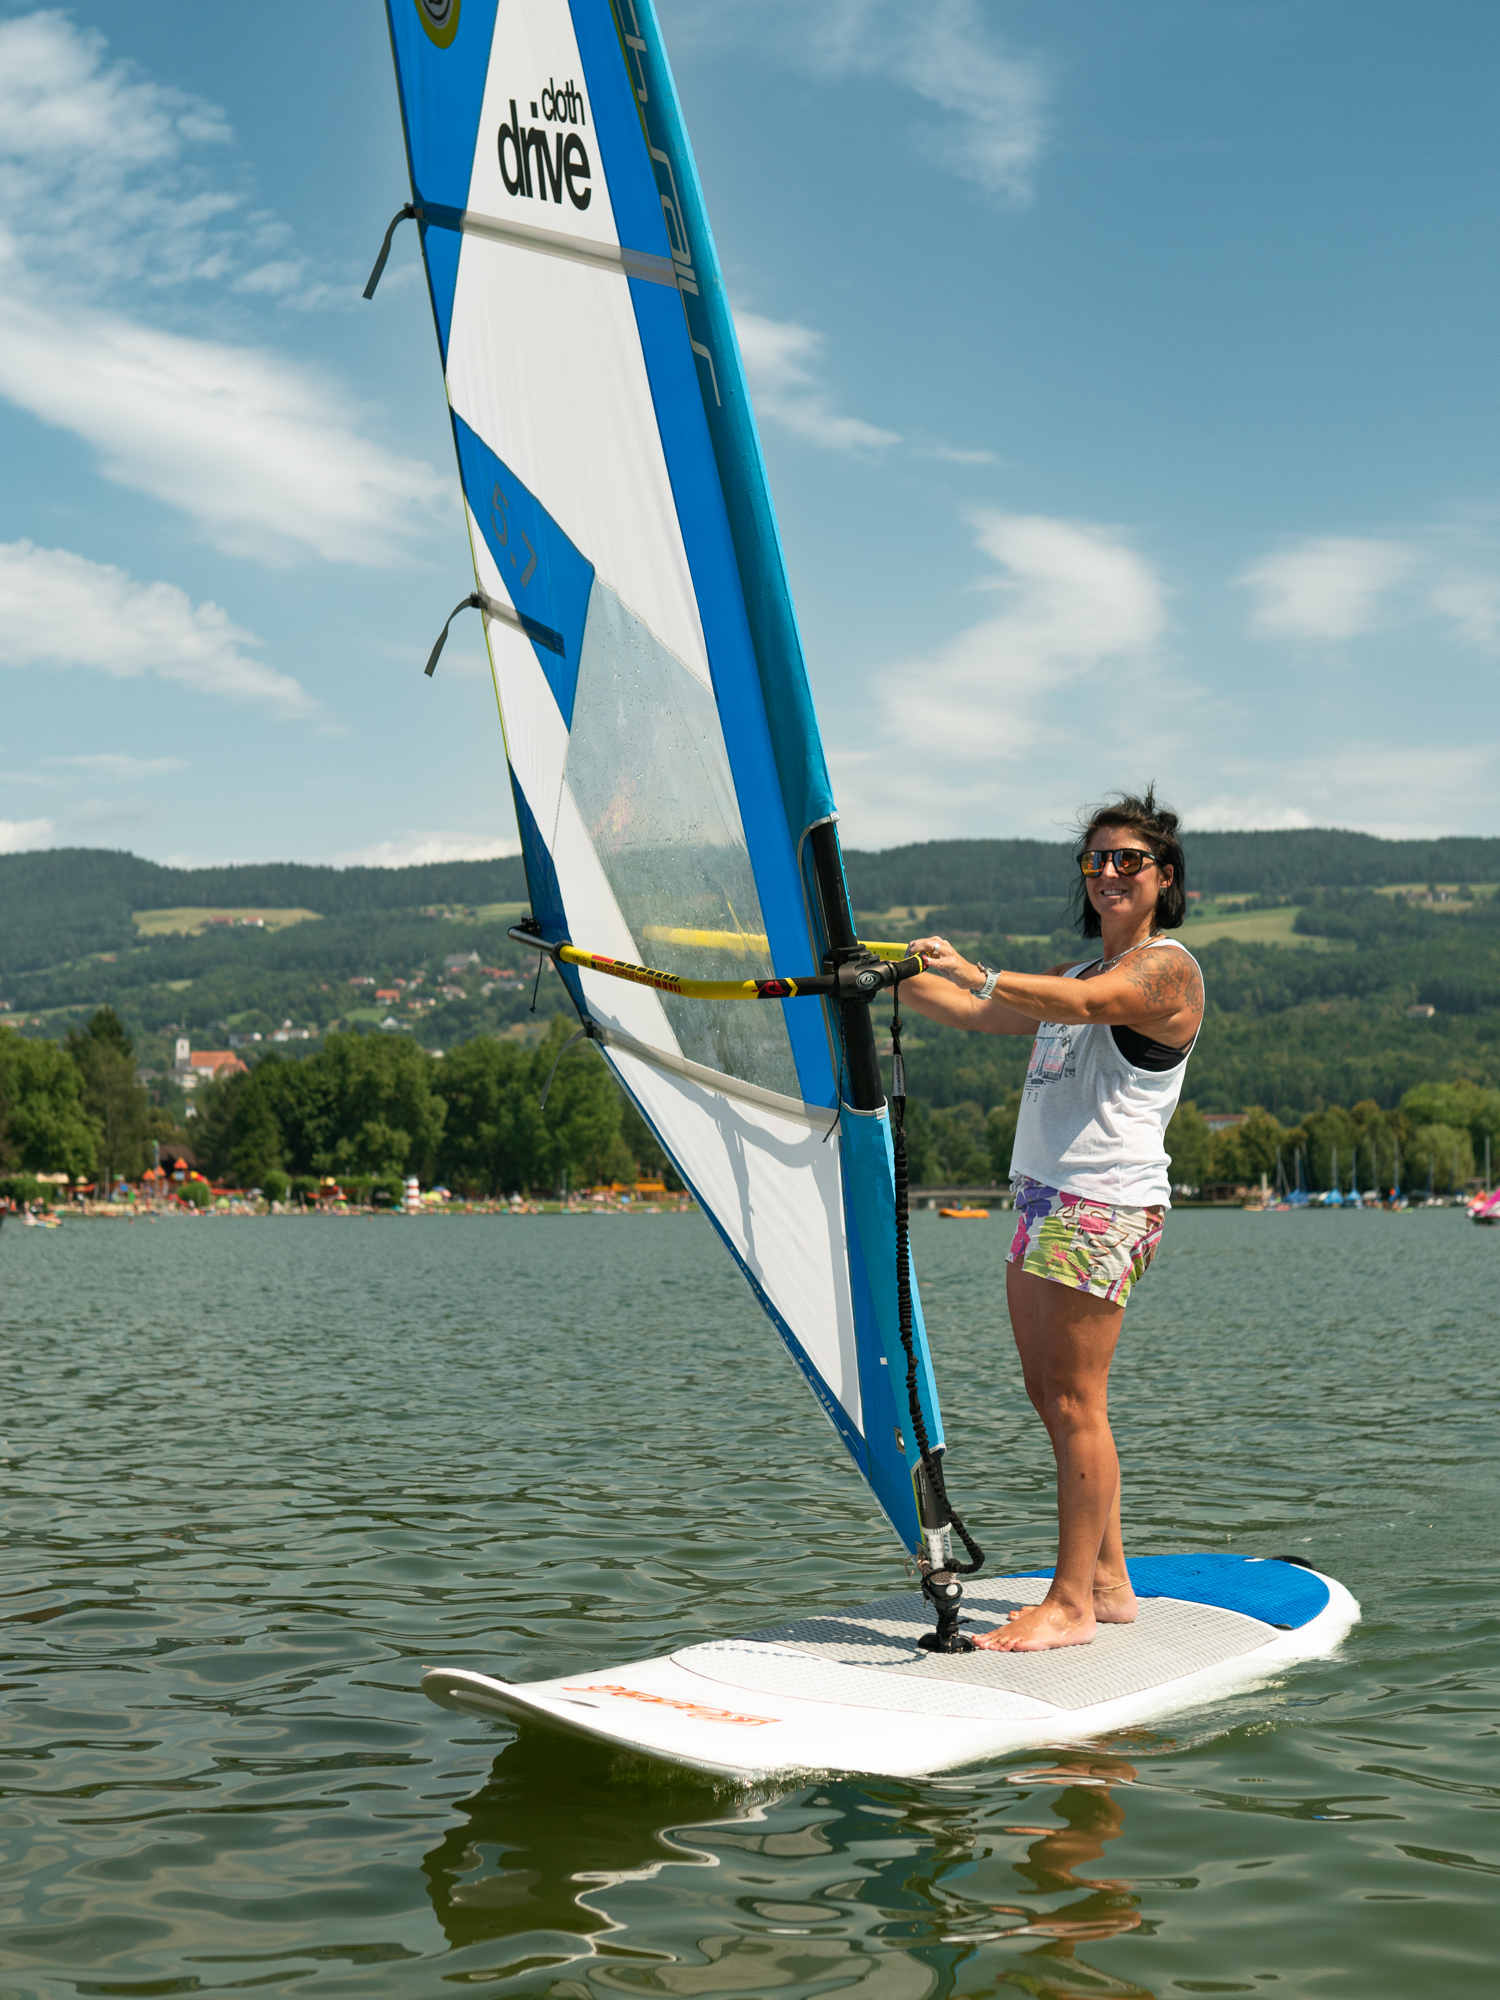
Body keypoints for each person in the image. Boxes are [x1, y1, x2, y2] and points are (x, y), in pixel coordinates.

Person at [903, 789, 1203, 1653]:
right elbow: (974, 1011)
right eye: (1095, 859)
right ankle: (1108, 1582)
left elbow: (1082, 1006)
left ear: (1163, 877)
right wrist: (878, 973)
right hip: (1043, 1197)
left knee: (1076, 1401)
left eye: (1127, 859)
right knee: (1052, 1396)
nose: (1108, 871)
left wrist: (977, 969)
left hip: (1103, 1202)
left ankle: (1071, 1606)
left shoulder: (1168, 970)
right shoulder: (1073, 977)